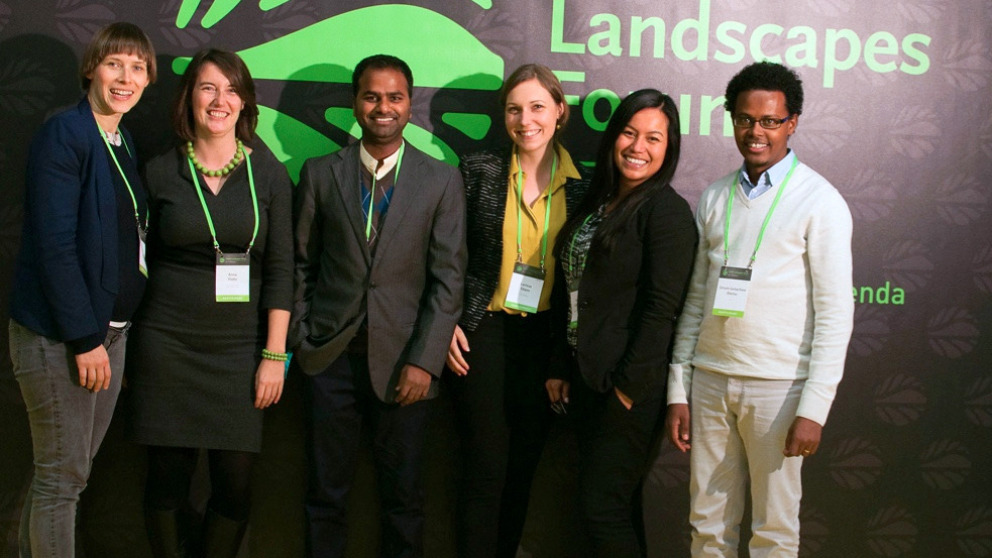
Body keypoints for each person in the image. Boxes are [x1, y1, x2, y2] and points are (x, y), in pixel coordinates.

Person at [664, 61, 854, 557]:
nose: (756, 132)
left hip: (780, 390)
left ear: (792, 123)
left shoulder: (821, 201)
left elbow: (836, 315)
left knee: (773, 532)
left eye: (770, 121)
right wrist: (678, 388)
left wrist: (814, 408)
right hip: (708, 384)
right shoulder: (714, 196)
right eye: (745, 119)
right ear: (731, 119)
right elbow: (695, 303)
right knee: (707, 526)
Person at [291, 54, 466, 558]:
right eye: (372, 96)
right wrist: (305, 341)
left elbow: (448, 281)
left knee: (404, 501)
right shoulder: (321, 173)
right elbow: (302, 264)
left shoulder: (440, 180)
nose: (383, 107)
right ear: (356, 103)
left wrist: (423, 361)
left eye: (395, 97)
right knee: (325, 496)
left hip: (404, 365)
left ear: (411, 104)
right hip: (329, 361)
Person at [125, 48, 293, 557]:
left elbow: (283, 270)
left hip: (241, 352)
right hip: (167, 345)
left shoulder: (270, 175)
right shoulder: (158, 173)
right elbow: (133, 266)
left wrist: (273, 355)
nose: (220, 100)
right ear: (189, 99)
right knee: (166, 481)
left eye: (232, 89)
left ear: (245, 103)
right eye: (208, 88)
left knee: (235, 485)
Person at [8, 21, 155, 558]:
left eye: (138, 67)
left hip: (109, 336)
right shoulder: (65, 133)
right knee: (61, 481)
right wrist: (84, 337)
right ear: (91, 67)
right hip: (64, 339)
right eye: (114, 63)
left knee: (64, 477)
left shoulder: (119, 139)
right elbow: (56, 247)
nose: (126, 77)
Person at [445, 63, 590, 558]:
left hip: (547, 344)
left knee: (522, 471)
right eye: (514, 108)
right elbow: (448, 257)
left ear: (559, 112)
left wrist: (564, 359)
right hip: (482, 333)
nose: (525, 119)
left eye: (536, 107)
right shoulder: (478, 171)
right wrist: (449, 324)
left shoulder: (585, 187)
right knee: (485, 469)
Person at [546, 89, 697, 557]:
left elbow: (661, 311)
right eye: (629, 133)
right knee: (614, 507)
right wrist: (559, 364)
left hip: (629, 389)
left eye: (653, 138)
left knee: (601, 509)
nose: (638, 147)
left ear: (668, 148)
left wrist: (628, 389)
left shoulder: (666, 212)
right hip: (585, 377)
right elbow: (567, 290)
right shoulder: (599, 200)